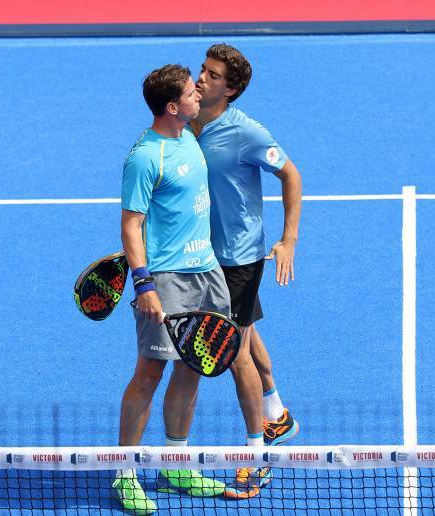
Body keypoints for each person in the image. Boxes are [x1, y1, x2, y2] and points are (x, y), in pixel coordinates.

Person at [114, 64, 231, 515]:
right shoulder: (146, 156)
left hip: (207, 271)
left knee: (194, 365)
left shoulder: (189, 132)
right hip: (166, 278)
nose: (197, 93)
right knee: (149, 372)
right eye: (189, 91)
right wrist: (144, 285)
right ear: (171, 107)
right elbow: (131, 226)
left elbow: (220, 97)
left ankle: (175, 460)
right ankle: (125, 471)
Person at [190, 43, 303, 499]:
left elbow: (291, 175)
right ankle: (276, 412)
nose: (201, 78)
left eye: (212, 75)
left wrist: (289, 239)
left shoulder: (247, 133)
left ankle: (255, 456)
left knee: (233, 354)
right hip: (199, 255)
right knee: (247, 334)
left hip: (238, 259)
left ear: (231, 89)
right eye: (202, 70)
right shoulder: (187, 120)